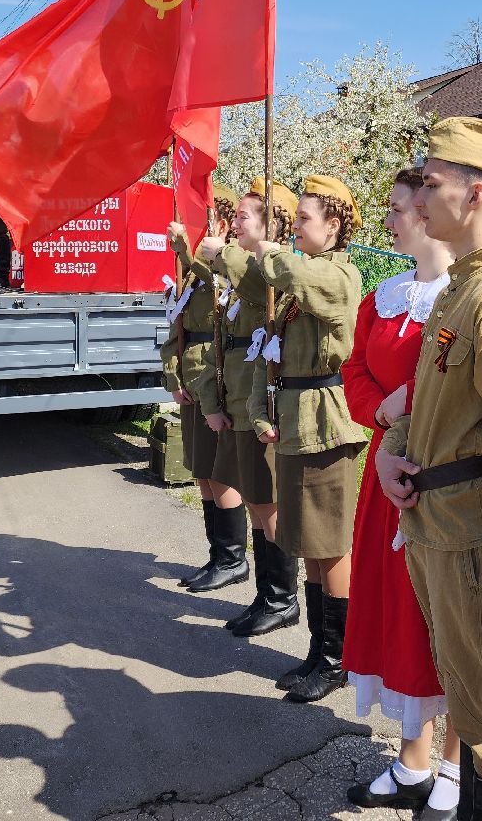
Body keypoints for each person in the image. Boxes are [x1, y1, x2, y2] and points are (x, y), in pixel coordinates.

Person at [377, 117, 482, 821]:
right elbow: (429, 401)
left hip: (474, 531)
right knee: (466, 695)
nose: (417, 195)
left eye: (431, 181)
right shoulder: (459, 290)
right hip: (437, 524)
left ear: (476, 195)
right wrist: (393, 455)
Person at [341, 167, 462, 820]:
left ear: (429, 211)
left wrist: (408, 401)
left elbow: (472, 377)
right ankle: (413, 758)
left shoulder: (469, 294)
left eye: (396, 208)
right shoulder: (383, 296)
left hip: (447, 483)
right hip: (385, 475)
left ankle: (458, 764)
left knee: (448, 623)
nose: (387, 220)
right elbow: (353, 370)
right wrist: (383, 413)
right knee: (400, 619)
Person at [249, 175, 367, 704]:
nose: (294, 225)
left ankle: (337, 657)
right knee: (309, 546)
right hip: (296, 422)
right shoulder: (299, 284)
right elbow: (271, 351)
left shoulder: (339, 275)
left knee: (331, 546)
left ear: (334, 226)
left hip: (327, 427)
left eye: (303, 218)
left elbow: (292, 271)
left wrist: (265, 247)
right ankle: (319, 649)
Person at [197, 179, 300, 638]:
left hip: (259, 405)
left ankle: (281, 598)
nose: (235, 223)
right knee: (257, 502)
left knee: (268, 503)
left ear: (272, 224)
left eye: (245, 217)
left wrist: (224, 251)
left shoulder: (268, 271)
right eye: (235, 215)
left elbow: (259, 285)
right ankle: (266, 593)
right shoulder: (244, 272)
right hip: (239, 399)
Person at [164, 185, 246, 593]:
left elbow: (219, 293)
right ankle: (218, 553)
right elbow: (174, 325)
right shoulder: (189, 269)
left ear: (223, 226)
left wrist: (187, 254)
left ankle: (233, 558)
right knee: (201, 471)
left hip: (217, 376)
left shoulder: (231, 268)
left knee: (219, 472)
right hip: (193, 376)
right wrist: (172, 375)